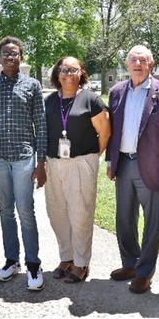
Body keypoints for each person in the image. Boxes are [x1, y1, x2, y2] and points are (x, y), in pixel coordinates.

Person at [106, 45, 159, 294]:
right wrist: (110, 161)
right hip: (124, 164)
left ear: (150, 65)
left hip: (155, 168)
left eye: (143, 60)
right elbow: (113, 131)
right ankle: (130, 263)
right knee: (124, 219)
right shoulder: (117, 91)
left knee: (152, 222)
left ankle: (144, 272)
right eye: (133, 60)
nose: (137, 63)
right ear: (126, 64)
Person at [0, 36, 47, 291]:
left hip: (23, 158)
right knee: (5, 211)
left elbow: (40, 124)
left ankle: (33, 264)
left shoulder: (32, 85)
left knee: (26, 212)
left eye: (15, 53)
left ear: (21, 57)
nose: (10, 57)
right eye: (6, 54)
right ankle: (12, 261)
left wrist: (41, 162)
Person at [44, 56, 111, 284]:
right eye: (64, 69)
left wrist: (92, 158)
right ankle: (67, 257)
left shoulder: (91, 100)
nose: (68, 74)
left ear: (82, 73)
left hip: (81, 162)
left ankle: (81, 263)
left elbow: (105, 133)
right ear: (57, 73)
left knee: (80, 214)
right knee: (58, 214)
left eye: (74, 70)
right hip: (53, 163)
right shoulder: (50, 101)